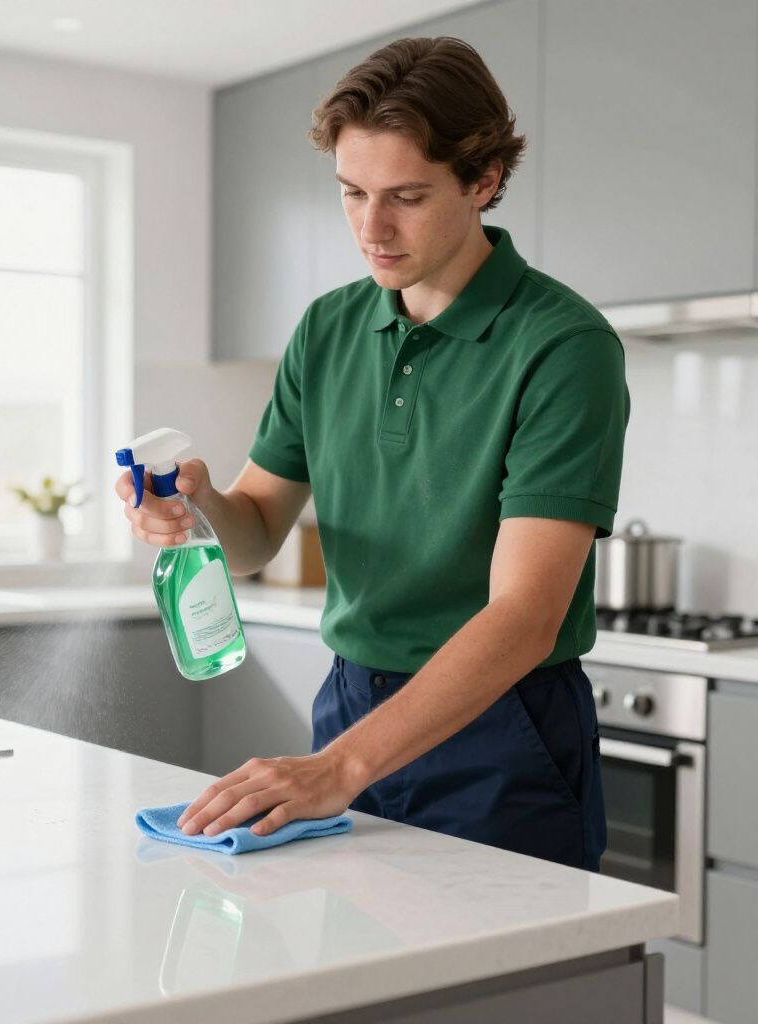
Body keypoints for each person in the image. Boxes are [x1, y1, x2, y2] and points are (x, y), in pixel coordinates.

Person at [114, 36, 629, 871]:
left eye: (407, 196)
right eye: (351, 193)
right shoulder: (328, 328)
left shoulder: (562, 346)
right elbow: (254, 536)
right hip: (351, 702)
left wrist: (342, 765)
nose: (371, 227)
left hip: (502, 726)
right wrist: (198, 504)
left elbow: (525, 618)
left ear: (485, 180)